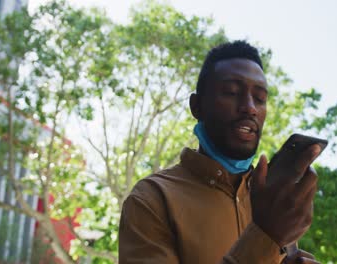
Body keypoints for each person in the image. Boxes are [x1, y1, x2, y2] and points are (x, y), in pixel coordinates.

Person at [119, 40, 321, 264]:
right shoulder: (151, 199)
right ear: (197, 106)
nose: (250, 107)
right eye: (232, 92)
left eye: (260, 99)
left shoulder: (271, 201)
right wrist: (265, 238)